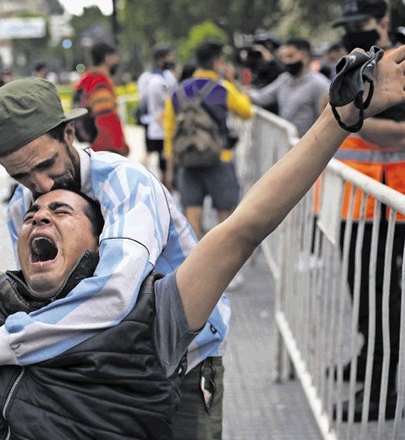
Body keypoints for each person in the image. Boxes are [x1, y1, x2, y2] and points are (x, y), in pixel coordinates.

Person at [0, 36, 405, 437]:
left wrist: (339, 120)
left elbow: (238, 231)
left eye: (57, 198)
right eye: (25, 190)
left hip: (177, 366)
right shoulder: (21, 306)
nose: (38, 199)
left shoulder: (146, 284)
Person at [163, 39, 252, 437]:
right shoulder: (221, 87)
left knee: (193, 221)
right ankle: (227, 273)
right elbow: (246, 112)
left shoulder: (178, 92)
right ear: (216, 61)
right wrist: (231, 82)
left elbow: (168, 132)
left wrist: (169, 166)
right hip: (220, 158)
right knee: (228, 219)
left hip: (187, 162)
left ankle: (199, 274)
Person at [329, 0, 405, 422]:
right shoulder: (357, 63)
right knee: (362, 296)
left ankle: (383, 390)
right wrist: (353, 116)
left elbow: (400, 130)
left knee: (382, 300)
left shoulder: (402, 61)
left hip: (388, 202)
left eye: (359, 23)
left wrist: (347, 115)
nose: (352, 32)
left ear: (381, 22)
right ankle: (368, 359)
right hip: (357, 203)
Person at [248, 37, 331, 138]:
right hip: (286, 144)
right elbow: (262, 97)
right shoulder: (284, 79)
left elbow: (325, 119)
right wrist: (237, 92)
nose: (286, 61)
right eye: (283, 57)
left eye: (290, 56)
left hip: (308, 145)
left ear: (304, 57)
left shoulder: (319, 84)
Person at [73, 41, 129, 156]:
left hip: (96, 146)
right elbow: (105, 119)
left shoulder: (88, 78)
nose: (117, 60)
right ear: (107, 58)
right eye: (115, 57)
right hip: (107, 150)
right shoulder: (100, 83)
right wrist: (119, 147)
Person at [137, 44, 177, 186]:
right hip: (157, 124)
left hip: (161, 123)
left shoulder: (168, 76)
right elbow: (154, 106)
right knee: (158, 156)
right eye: (169, 56)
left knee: (162, 160)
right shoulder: (153, 80)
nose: (172, 59)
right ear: (161, 59)